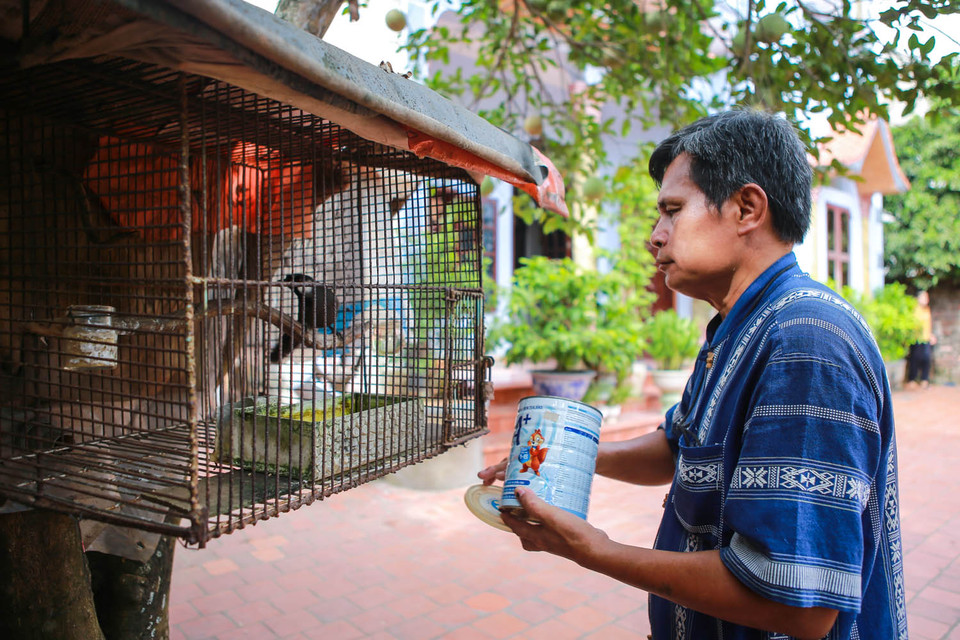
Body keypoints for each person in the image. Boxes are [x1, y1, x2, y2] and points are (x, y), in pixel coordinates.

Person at [479, 110, 906, 640]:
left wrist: (596, 550)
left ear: (747, 208)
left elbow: (798, 603)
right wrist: (558, 455)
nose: (654, 237)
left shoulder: (806, 342)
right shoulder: (735, 326)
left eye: (672, 210)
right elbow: (678, 448)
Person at [906, 290, 935, 389]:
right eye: (924, 297)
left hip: (925, 338)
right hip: (916, 339)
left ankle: (924, 380)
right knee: (915, 358)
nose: (926, 300)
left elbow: (928, 324)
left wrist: (931, 335)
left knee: (927, 358)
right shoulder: (914, 310)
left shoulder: (927, 309)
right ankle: (912, 380)